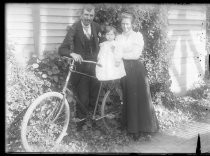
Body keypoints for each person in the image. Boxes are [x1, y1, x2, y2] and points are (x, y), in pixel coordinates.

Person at [116, 11, 159, 140]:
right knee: (128, 97)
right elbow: (116, 52)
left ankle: (142, 129)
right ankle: (131, 128)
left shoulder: (137, 36)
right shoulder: (118, 37)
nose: (125, 26)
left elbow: (135, 54)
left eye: (128, 24)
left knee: (140, 98)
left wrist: (121, 55)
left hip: (136, 69)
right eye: (123, 23)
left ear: (132, 24)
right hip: (124, 69)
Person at [58, 5, 102, 130]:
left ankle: (94, 121)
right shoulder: (74, 28)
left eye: (91, 15)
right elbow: (62, 49)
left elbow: (104, 42)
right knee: (83, 98)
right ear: (81, 15)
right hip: (81, 69)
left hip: (95, 67)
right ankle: (81, 123)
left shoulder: (96, 27)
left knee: (95, 95)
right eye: (86, 15)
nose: (88, 18)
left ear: (93, 16)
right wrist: (72, 53)